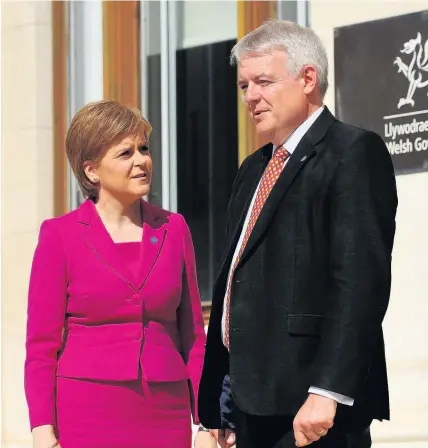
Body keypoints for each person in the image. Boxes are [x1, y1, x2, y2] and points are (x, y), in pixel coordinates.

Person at [198, 20, 398, 448]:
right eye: (244, 86)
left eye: (264, 82)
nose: (251, 97)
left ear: (308, 79)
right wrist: (224, 399)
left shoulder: (352, 152)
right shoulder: (253, 168)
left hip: (312, 412)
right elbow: (238, 282)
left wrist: (328, 391)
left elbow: (360, 284)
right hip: (252, 406)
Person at [24, 100, 214, 448]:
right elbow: (41, 345)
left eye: (144, 148)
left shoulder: (174, 229)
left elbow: (193, 337)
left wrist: (206, 421)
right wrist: (42, 428)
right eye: (125, 153)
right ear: (92, 170)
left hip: (165, 413)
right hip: (86, 411)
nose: (141, 160)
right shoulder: (60, 235)